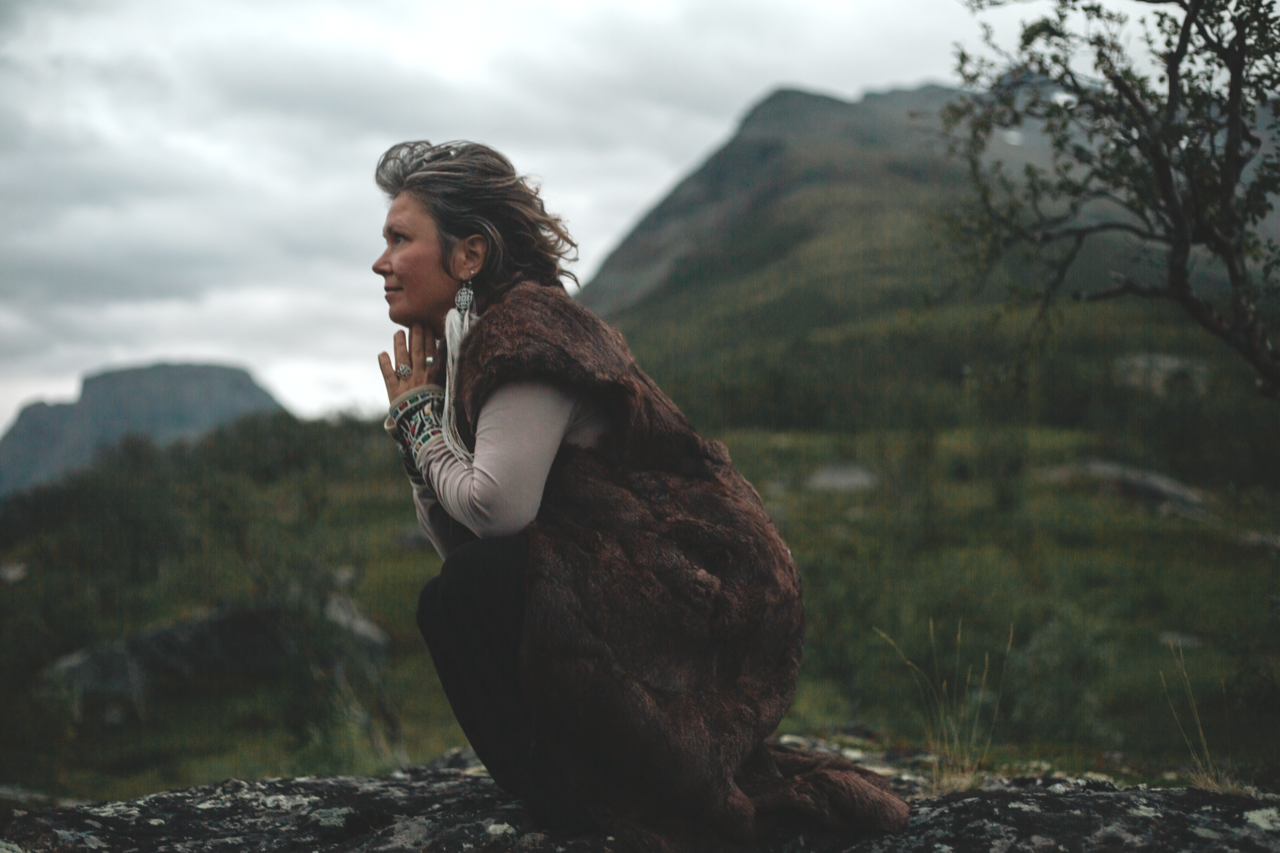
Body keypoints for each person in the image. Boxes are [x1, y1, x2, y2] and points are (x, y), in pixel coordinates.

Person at [372, 140, 908, 847]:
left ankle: (595, 798)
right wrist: (425, 446)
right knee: (452, 595)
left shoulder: (528, 331)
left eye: (399, 239)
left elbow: (500, 510)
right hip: (639, 583)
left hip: (702, 591)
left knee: (465, 591)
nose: (381, 263)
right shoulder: (489, 336)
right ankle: (575, 794)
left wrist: (420, 425)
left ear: (469, 256)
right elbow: (469, 544)